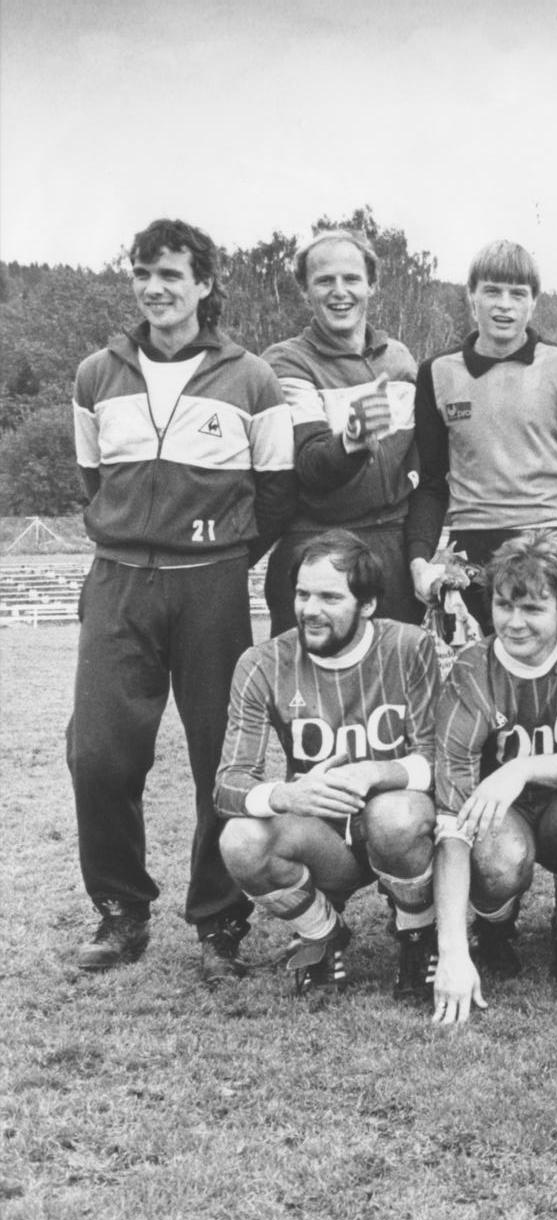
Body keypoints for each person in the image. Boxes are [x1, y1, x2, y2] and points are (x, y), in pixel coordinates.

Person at [68, 217, 295, 979]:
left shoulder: (251, 377)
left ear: (203, 284)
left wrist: (218, 557)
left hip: (211, 583)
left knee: (219, 755)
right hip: (119, 578)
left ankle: (219, 920)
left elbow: (276, 493)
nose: (154, 288)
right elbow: (94, 482)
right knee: (98, 752)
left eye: (170, 274)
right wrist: (138, 539)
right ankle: (120, 910)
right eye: (142, 272)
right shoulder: (96, 374)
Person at [213, 532, 439, 997]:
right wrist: (287, 795)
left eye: (330, 597)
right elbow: (227, 785)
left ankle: (418, 934)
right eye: (303, 594)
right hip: (324, 838)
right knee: (240, 839)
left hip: (399, 829)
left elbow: (440, 759)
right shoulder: (262, 663)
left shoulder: (409, 647)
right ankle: (322, 932)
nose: (310, 609)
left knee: (395, 815)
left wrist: (377, 772)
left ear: (368, 604)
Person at [429, 532, 557, 1024]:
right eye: (503, 605)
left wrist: (521, 767)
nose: (515, 622)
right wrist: (451, 951)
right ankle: (493, 928)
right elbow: (451, 819)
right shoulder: (472, 669)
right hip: (503, 815)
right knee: (496, 854)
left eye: (533, 608)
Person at [406, 240, 557, 630]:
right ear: (471, 296)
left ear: (533, 302)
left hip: (551, 542)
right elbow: (432, 483)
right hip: (471, 552)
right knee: (476, 661)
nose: (504, 305)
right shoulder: (436, 372)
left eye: (517, 294)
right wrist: (419, 559)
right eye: (492, 291)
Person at [262, 228, 422, 632]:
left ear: (372, 285)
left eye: (351, 279)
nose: (339, 292)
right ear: (305, 291)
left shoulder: (400, 360)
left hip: (393, 553)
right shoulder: (285, 362)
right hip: (318, 551)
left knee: (396, 670)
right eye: (324, 281)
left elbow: (420, 462)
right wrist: (350, 441)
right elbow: (310, 465)